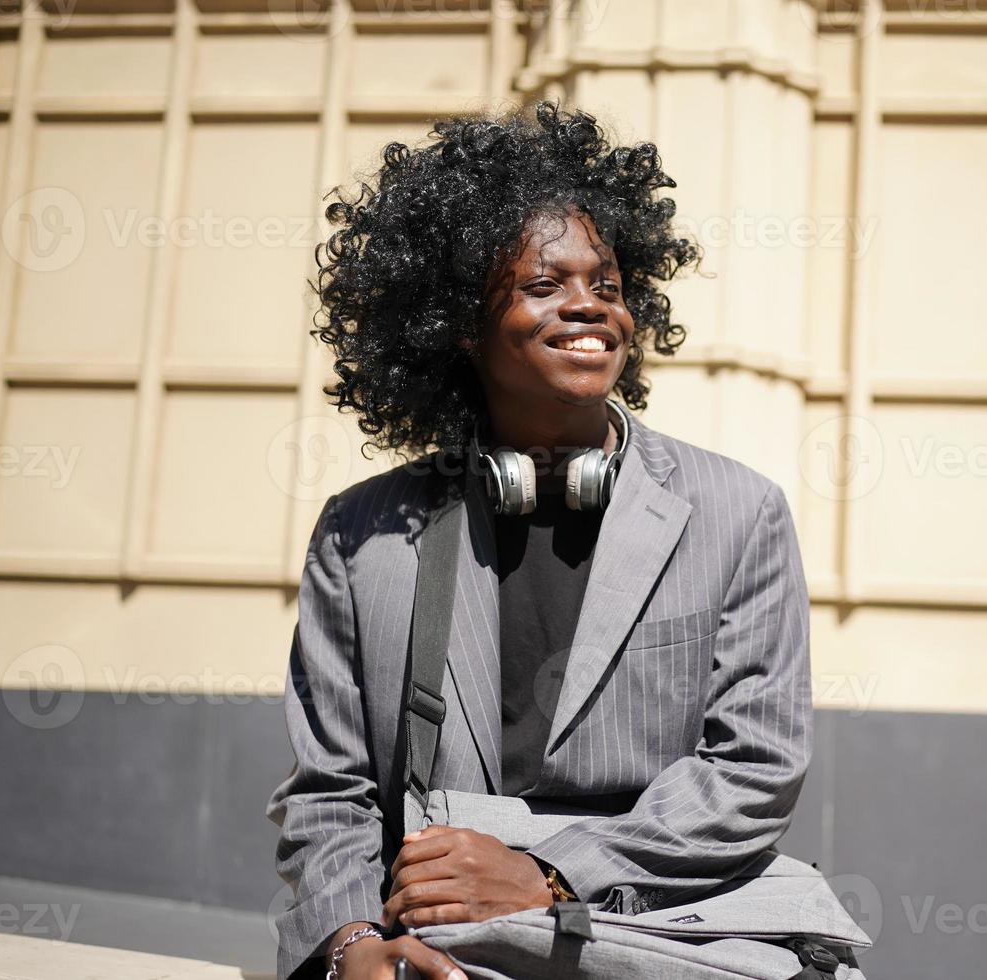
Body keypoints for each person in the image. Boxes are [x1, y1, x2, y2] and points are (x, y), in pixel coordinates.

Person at [268, 102, 813, 980]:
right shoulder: (364, 534)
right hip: (440, 939)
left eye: (606, 283)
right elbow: (331, 791)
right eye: (543, 285)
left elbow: (753, 770)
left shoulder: (738, 512)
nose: (588, 307)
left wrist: (549, 874)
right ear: (459, 323)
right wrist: (352, 944)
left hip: (661, 930)